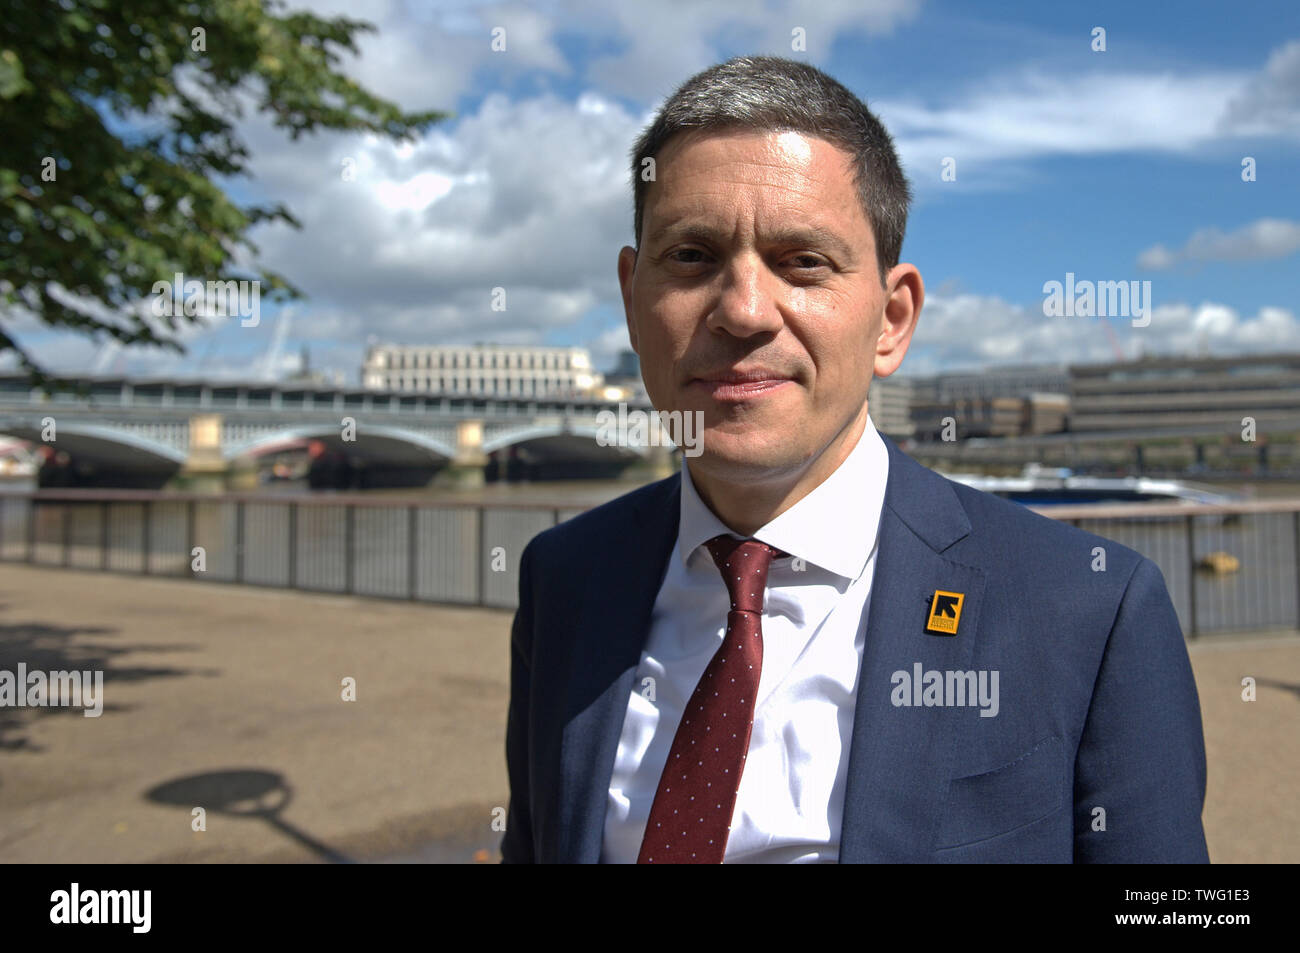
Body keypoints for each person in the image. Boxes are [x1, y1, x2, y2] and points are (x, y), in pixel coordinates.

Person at [501, 55, 1209, 863]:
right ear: (632, 300)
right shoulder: (565, 577)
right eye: (692, 256)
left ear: (892, 320)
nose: (742, 310)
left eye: (803, 261)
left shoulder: (1089, 609)